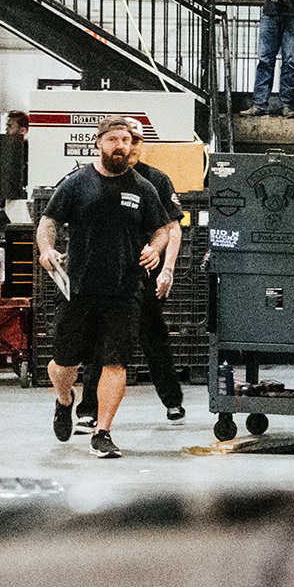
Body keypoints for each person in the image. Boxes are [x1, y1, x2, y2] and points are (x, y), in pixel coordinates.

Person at [38, 116, 169, 459]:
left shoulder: (143, 187)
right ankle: (64, 400)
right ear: (98, 143)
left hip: (125, 290)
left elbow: (162, 228)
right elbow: (49, 221)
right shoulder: (77, 183)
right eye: (113, 140)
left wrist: (156, 248)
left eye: (125, 140)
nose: (120, 146)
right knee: (63, 364)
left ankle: (103, 432)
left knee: (115, 363)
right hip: (78, 287)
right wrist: (47, 249)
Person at [74, 122, 187, 429]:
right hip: (107, 276)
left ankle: (172, 401)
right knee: (101, 341)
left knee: (153, 336)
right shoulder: (95, 178)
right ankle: (89, 410)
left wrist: (167, 270)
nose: (128, 146)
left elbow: (173, 229)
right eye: (122, 140)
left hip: (146, 275)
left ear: (140, 144)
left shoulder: (155, 180)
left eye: (134, 140)